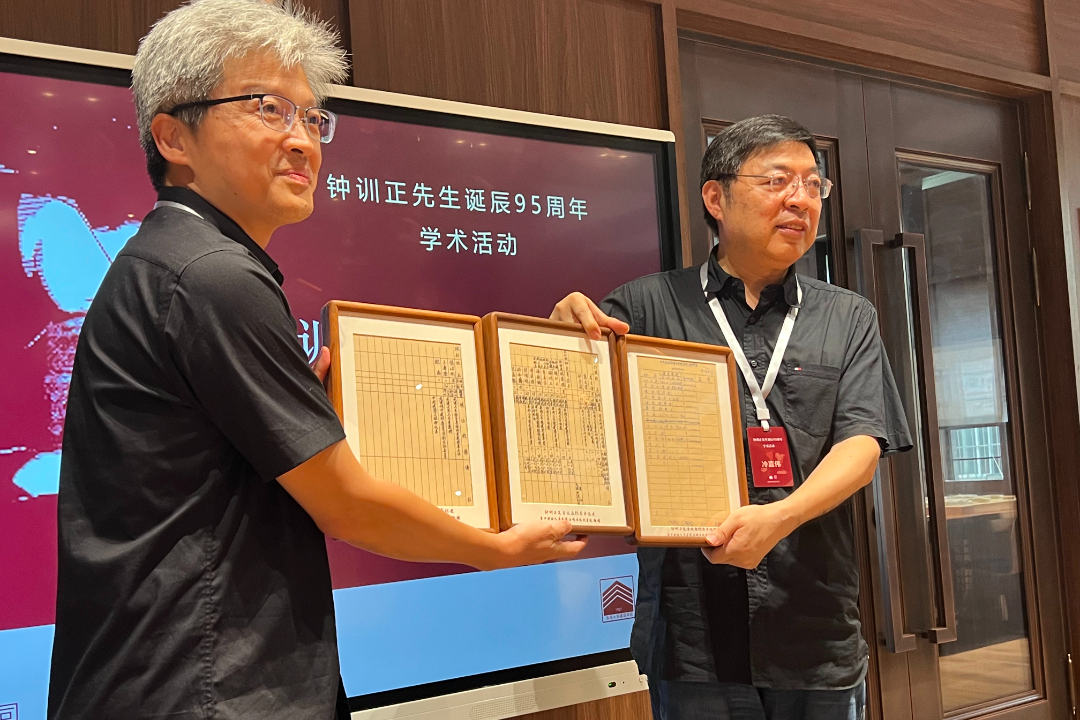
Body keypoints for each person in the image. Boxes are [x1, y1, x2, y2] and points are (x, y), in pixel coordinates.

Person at [47, 2, 585, 719]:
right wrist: (496, 548)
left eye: (312, 117)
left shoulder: (178, 261)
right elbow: (346, 503)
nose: (302, 140)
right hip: (202, 687)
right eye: (268, 109)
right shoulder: (211, 275)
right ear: (173, 136)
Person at [550, 115, 912, 720]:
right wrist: (559, 339)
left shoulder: (848, 316)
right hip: (691, 626)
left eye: (812, 184)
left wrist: (780, 517)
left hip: (814, 622)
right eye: (777, 180)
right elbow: (574, 428)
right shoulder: (645, 305)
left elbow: (863, 444)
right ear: (716, 198)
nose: (800, 198)